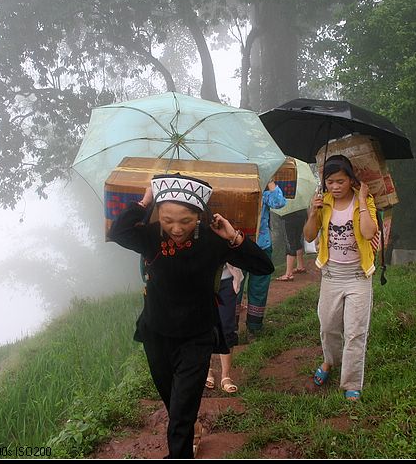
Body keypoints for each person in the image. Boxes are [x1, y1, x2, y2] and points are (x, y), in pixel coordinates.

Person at [108, 173, 274, 458]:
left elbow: (263, 266)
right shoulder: (150, 237)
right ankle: (189, 428)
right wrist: (145, 199)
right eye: (167, 219)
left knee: (181, 414)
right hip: (156, 333)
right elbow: (118, 232)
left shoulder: (213, 239)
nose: (175, 228)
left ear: (198, 216)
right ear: (158, 214)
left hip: (196, 336)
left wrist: (233, 236)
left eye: (185, 221)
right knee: (175, 405)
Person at [303, 154, 378, 402]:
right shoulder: (322, 202)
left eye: (340, 181)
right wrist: (313, 214)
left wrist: (363, 200)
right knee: (327, 326)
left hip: (358, 276)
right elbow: (309, 235)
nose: (335, 187)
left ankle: (351, 383)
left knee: (355, 331)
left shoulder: (363, 201)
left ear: (350, 180)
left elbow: (368, 233)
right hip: (331, 275)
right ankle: (330, 361)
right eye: (330, 182)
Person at [237, 180, 286, 336]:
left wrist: (269, 180)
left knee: (259, 288)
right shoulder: (233, 191)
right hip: (237, 247)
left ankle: (254, 327)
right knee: (234, 287)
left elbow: (279, 202)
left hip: (261, 247)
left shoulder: (263, 193)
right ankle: (230, 327)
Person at [205, 262, 244, 394]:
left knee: (227, 326)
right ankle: (206, 370)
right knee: (205, 326)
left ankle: (226, 376)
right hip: (201, 281)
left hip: (227, 280)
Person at [274, 209, 308, 281]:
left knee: (289, 242)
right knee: (297, 239)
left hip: (288, 216)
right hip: (301, 214)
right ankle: (300, 266)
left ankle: (288, 274)